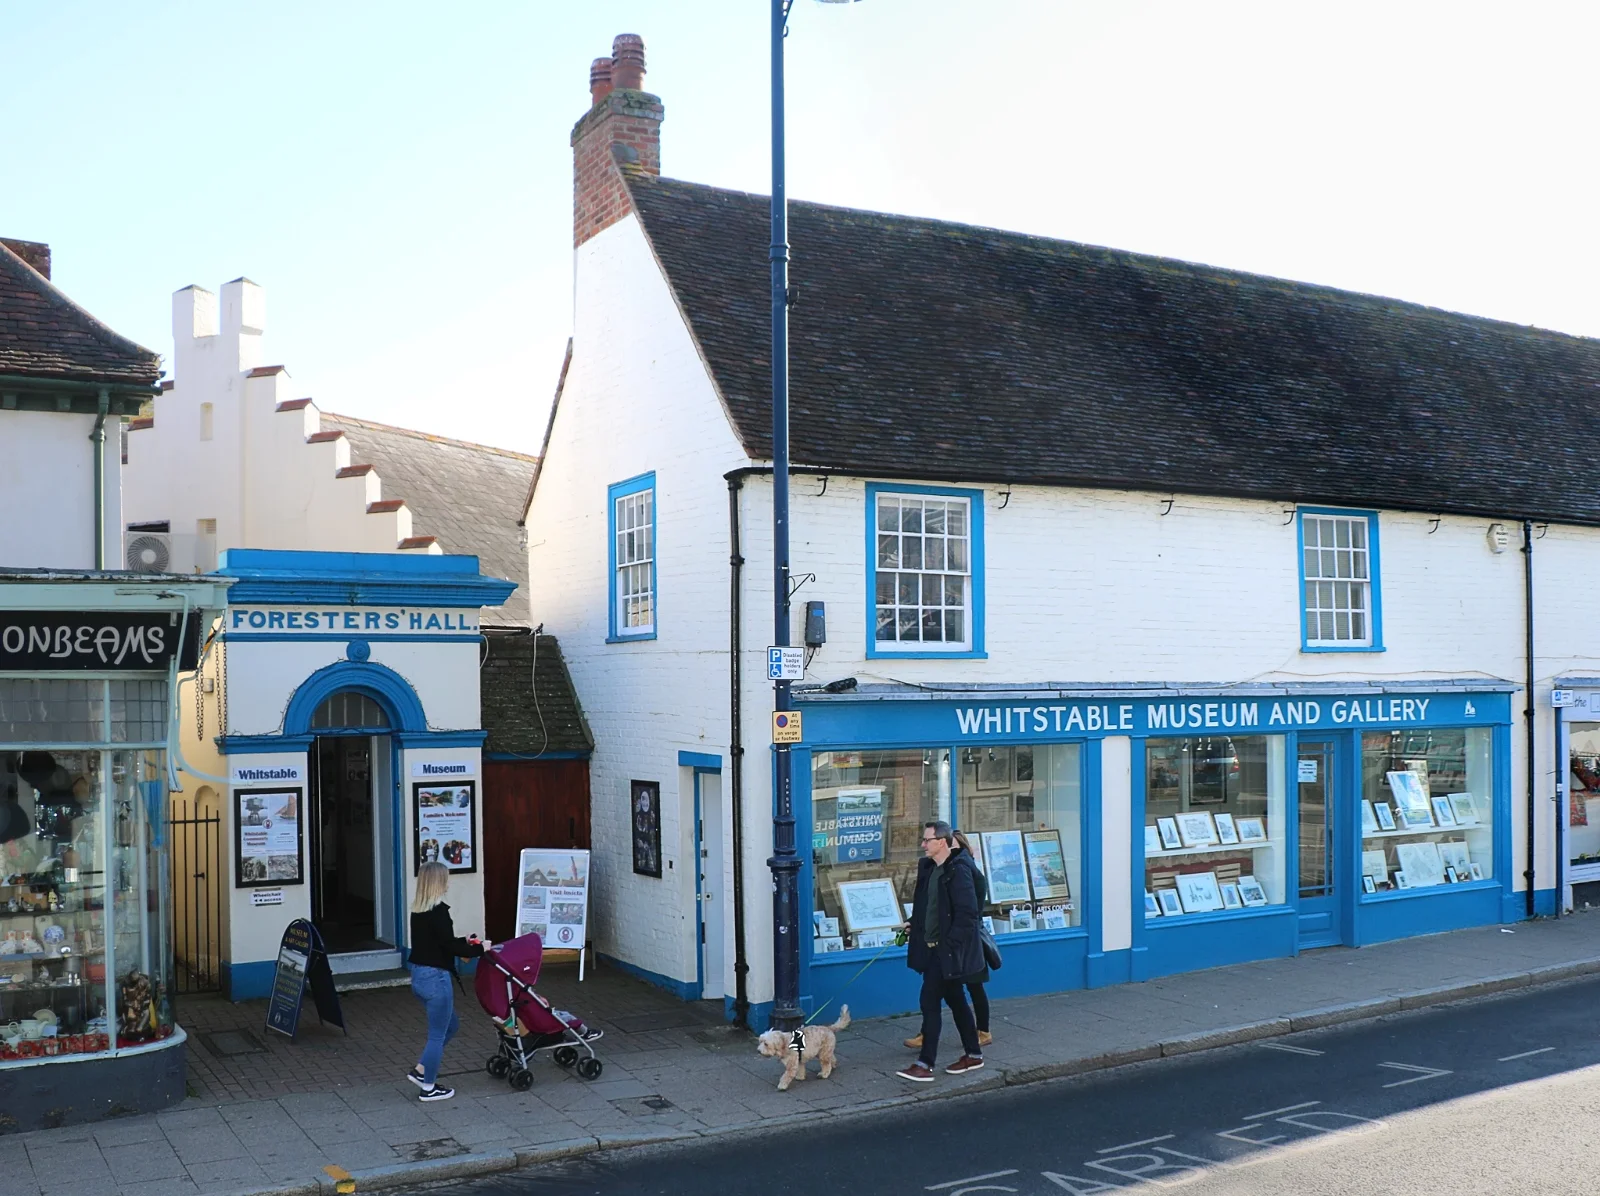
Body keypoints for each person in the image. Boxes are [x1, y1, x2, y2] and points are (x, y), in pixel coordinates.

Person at [896, 821, 985, 1082]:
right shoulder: (929, 869)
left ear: (943, 842)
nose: (923, 845)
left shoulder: (959, 871)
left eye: (927, 840)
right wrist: (915, 922)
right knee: (956, 1000)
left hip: (947, 951)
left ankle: (925, 1064)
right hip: (931, 947)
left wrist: (950, 945)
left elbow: (968, 915)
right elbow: (927, 905)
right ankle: (974, 1055)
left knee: (929, 1000)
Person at [406, 862, 488, 1101]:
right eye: (446, 878)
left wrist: (465, 941)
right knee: (437, 1035)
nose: (448, 882)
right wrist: (481, 949)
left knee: (451, 1026)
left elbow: (440, 941)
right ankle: (429, 1087)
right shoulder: (439, 910)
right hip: (436, 979)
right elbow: (448, 946)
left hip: (419, 976)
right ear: (438, 882)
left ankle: (421, 1071)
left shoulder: (418, 909)